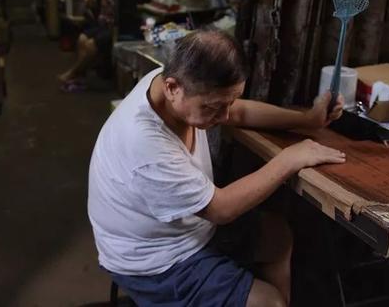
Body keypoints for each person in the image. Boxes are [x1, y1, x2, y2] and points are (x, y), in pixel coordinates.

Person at [88, 29, 345, 307]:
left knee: (277, 236)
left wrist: (306, 120)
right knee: (268, 303)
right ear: (173, 88)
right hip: (154, 262)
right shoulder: (146, 143)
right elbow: (220, 209)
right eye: (213, 107)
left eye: (228, 102)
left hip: (186, 231)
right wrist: (289, 159)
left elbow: (237, 112)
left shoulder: (171, 84)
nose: (223, 116)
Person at [58, 0, 131, 90]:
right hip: (101, 24)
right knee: (81, 38)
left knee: (90, 45)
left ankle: (73, 73)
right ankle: (81, 77)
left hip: (113, 27)